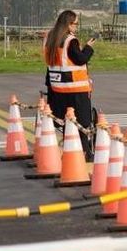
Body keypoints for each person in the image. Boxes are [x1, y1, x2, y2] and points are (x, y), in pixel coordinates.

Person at [44, 10, 96, 159]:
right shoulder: (70, 40)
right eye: (75, 24)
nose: (76, 27)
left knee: (65, 122)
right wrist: (88, 47)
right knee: (82, 123)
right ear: (68, 24)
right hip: (75, 88)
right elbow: (80, 59)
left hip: (56, 87)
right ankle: (85, 153)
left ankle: (69, 151)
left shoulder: (49, 38)